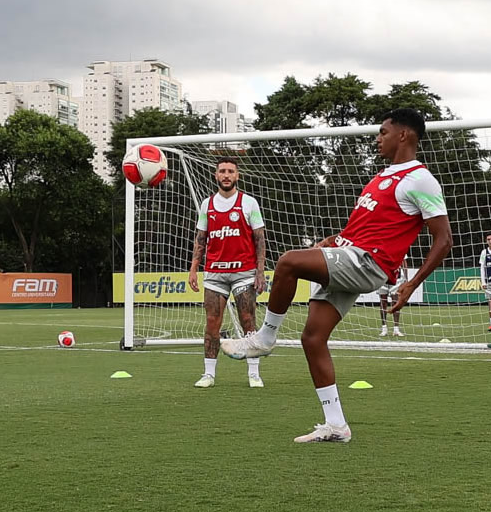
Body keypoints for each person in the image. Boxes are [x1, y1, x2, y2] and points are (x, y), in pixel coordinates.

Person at [221, 108, 452, 443]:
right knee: (313, 338)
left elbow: (443, 239)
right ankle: (336, 425)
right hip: (352, 255)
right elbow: (363, 229)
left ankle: (264, 338)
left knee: (287, 262)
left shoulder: (420, 179)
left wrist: (411, 283)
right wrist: (332, 242)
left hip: (368, 263)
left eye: (383, 132)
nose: (378, 138)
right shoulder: (379, 178)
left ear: (403, 135)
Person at [187, 157, 268, 388]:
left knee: (248, 321)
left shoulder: (249, 203)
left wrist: (260, 271)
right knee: (212, 323)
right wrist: (193, 268)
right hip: (214, 272)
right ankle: (208, 374)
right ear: (216, 175)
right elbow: (200, 239)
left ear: (237, 176)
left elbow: (259, 239)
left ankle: (254, 373)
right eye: (222, 171)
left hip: (244, 271)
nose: (226, 175)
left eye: (230, 171)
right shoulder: (207, 204)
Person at [377, 258, 408, 337]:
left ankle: (396, 329)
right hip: (383, 278)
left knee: (395, 301)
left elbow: (404, 261)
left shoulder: (399, 248)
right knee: (383, 302)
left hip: (396, 279)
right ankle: (384, 329)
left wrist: (406, 278)